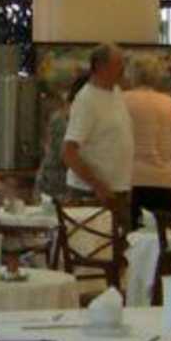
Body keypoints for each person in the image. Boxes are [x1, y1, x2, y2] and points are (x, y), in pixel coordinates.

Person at [61, 43, 133, 213]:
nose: (123, 69)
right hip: (91, 192)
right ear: (101, 66)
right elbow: (69, 152)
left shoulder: (116, 93)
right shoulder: (87, 100)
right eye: (118, 64)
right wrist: (98, 186)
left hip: (118, 188)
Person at [123, 57, 171, 231]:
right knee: (161, 236)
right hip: (164, 180)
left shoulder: (123, 100)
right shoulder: (169, 103)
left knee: (133, 237)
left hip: (133, 179)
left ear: (132, 75)